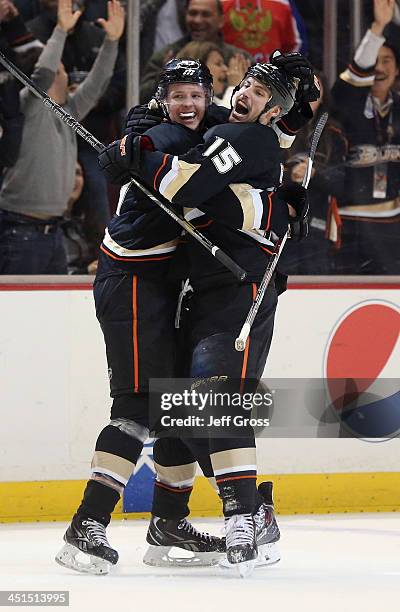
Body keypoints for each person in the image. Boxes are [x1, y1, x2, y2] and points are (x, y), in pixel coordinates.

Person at [99, 56, 314, 576]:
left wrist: (140, 153)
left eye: (264, 93)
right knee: (182, 405)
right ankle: (180, 519)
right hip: (202, 288)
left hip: (240, 288)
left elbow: (181, 188)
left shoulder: (248, 139)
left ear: (271, 111)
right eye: (250, 85)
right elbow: (218, 139)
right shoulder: (228, 128)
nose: (250, 94)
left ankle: (244, 515)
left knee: (216, 395)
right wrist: (151, 128)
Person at [0, 0, 124, 275]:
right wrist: (60, 31)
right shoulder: (29, 103)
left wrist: (112, 42)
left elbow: (98, 81)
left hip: (52, 230)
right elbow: (42, 73)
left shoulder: (69, 110)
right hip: (21, 230)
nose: (58, 68)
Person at [330, 0, 400, 274]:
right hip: (352, 226)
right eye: (375, 61)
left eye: (387, 61)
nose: (379, 69)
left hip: (394, 228)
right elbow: (353, 79)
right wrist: (378, 27)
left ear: (397, 70)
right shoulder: (348, 105)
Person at [139, 0, 251, 104]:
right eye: (193, 13)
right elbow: (141, 98)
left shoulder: (240, 60)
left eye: (206, 14)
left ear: (221, 20)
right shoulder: (167, 55)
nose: (197, 20)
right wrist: (165, 77)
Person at [220, 0, 303, 63]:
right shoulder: (219, 3)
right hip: (228, 74)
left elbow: (292, 44)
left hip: (271, 76)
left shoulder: (281, 4)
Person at [176, 39, 250, 106]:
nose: (226, 69)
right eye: (218, 64)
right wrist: (234, 86)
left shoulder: (215, 101)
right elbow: (225, 118)